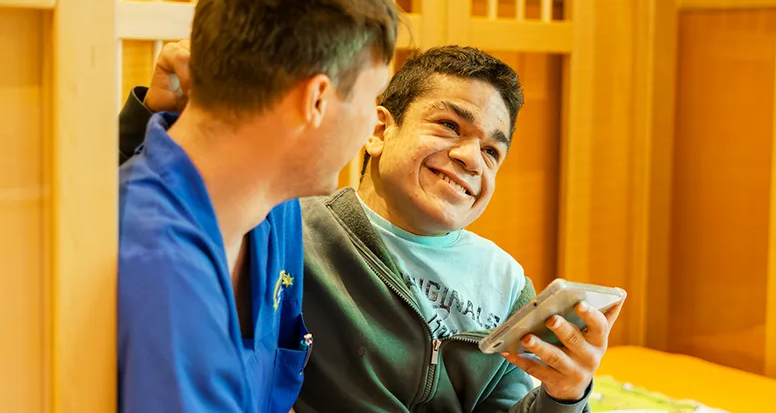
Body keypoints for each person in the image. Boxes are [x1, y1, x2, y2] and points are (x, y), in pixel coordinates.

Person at [120, 45, 624, 412]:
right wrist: (151, 121)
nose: (472, 158)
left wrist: (565, 395)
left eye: (492, 150)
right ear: (380, 130)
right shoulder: (295, 231)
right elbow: (122, 223)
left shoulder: (506, 282)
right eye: (449, 125)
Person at [116, 0, 397, 412]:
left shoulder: (276, 205)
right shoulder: (160, 266)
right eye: (372, 98)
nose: (371, 123)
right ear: (316, 100)